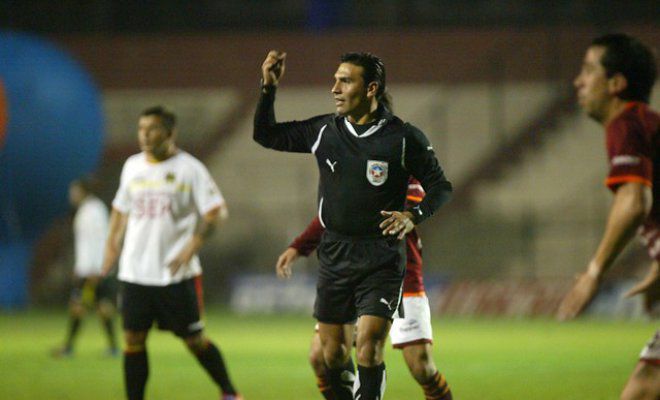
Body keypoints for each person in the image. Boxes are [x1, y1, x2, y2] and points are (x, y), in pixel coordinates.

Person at [254, 50, 452, 400]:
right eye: (335, 80)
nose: (335, 88)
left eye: (345, 80)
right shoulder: (324, 132)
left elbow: (441, 186)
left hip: (382, 257)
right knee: (330, 355)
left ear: (371, 88)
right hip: (335, 255)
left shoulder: (404, 138)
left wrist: (412, 216)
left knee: (370, 349)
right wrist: (268, 88)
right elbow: (266, 135)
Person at [101, 106, 242, 400]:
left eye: (151, 129)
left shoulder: (190, 169)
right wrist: (111, 243)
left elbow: (216, 212)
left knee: (194, 340)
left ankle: (229, 392)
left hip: (175, 275)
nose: (144, 135)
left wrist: (191, 246)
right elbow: (120, 208)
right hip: (135, 272)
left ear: (169, 132)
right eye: (141, 129)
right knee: (133, 340)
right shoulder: (132, 166)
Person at [276, 178, 453, 400]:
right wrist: (299, 247)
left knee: (422, 366)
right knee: (319, 357)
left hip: (403, 278)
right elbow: (330, 215)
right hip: (356, 275)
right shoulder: (352, 165)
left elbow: (413, 204)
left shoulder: (405, 168)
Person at [556, 33, 659, 400]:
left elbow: (634, 202)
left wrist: (594, 272)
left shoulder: (626, 125)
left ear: (616, 84)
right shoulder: (645, 124)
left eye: (588, 71)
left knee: (643, 389)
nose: (578, 81)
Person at [52, 178, 118, 357]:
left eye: (74, 191)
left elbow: (97, 241)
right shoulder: (88, 210)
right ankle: (112, 347)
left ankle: (69, 347)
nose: (71, 195)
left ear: (83, 191)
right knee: (100, 305)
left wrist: (91, 269)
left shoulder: (92, 211)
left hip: (92, 271)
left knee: (79, 305)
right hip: (91, 269)